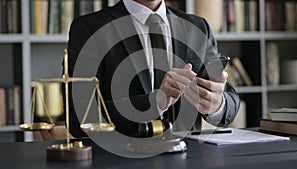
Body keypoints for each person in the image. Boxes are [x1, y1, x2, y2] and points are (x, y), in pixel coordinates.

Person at [66, 0, 240, 138]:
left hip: (190, 159)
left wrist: (217, 105)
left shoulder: (198, 27)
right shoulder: (89, 28)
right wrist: (154, 103)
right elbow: (78, 118)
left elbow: (230, 100)